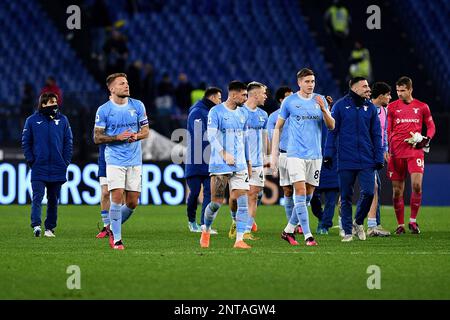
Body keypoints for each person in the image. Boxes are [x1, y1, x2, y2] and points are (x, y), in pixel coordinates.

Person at [271, 68, 335, 246]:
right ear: (299, 82)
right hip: (295, 154)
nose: (310, 85)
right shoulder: (290, 102)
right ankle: (308, 236)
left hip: (315, 156)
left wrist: (324, 109)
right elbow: (278, 128)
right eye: (307, 82)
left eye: (313, 81)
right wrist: (274, 155)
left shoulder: (320, 99)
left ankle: (288, 230)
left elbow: (331, 126)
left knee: (307, 197)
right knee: (299, 192)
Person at [93, 73, 149, 250]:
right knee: (116, 197)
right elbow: (96, 137)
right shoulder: (104, 110)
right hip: (114, 160)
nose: (126, 86)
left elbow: (146, 131)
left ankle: (110, 227)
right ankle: (117, 240)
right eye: (122, 83)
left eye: (127, 82)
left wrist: (136, 136)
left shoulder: (137, 105)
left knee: (132, 202)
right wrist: (117, 137)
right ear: (112, 88)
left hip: (134, 160)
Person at [324, 77, 384, 242]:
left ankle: (358, 222)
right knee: (346, 196)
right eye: (365, 86)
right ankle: (348, 232)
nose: (368, 89)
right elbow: (333, 132)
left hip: (367, 158)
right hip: (345, 158)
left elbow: (377, 135)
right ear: (355, 87)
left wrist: (379, 156)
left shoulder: (370, 108)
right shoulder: (340, 106)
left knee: (370, 192)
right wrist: (328, 154)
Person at [200, 81, 252, 249]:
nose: (246, 98)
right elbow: (212, 136)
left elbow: (245, 138)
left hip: (240, 164)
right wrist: (224, 154)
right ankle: (206, 229)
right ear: (233, 94)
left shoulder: (243, 113)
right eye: (244, 95)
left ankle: (239, 240)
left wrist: (248, 162)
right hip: (220, 163)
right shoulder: (216, 111)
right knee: (216, 203)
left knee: (242, 200)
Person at [387, 76, 436, 234]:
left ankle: (413, 221)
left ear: (410, 90)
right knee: (397, 191)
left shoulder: (422, 107)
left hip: (415, 151)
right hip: (396, 152)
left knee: (416, 186)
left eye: (402, 90)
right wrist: (386, 148)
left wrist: (427, 138)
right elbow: (387, 130)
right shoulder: (392, 107)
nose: (399, 93)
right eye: (397, 90)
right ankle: (400, 225)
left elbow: (430, 126)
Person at [22, 92, 73, 237]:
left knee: (53, 200)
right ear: (43, 104)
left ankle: (50, 228)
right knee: (37, 197)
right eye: (51, 102)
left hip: (58, 166)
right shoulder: (31, 120)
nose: (54, 105)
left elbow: (68, 143)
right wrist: (32, 160)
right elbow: (26, 142)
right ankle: (36, 226)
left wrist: (65, 162)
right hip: (39, 166)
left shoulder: (63, 120)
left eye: (55, 102)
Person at [185, 87, 222, 233]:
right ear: (212, 98)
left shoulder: (212, 112)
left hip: (210, 159)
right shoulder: (197, 112)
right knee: (194, 192)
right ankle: (191, 221)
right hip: (196, 159)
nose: (221, 101)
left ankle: (205, 225)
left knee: (209, 192)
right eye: (219, 98)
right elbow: (199, 136)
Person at [267, 86, 303, 235]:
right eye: (288, 96)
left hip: (301, 155)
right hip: (284, 155)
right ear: (281, 100)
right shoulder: (274, 117)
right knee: (288, 191)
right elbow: (271, 139)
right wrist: (273, 158)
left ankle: (299, 223)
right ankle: (292, 225)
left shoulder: (300, 113)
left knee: (301, 190)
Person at [240, 82, 269, 239]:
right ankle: (235, 220)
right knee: (236, 197)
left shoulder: (263, 115)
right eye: (264, 93)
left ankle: (246, 230)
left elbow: (265, 139)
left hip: (257, 162)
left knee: (254, 194)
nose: (266, 96)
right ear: (255, 94)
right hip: (241, 162)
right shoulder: (238, 112)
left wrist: (268, 157)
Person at [310, 96, 340, 235]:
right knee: (312, 196)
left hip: (333, 161)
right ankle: (322, 218)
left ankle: (325, 225)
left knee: (331, 196)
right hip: (314, 159)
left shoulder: (336, 120)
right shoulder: (314, 119)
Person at [366, 82, 392, 237]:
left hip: (376, 153)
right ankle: (370, 225)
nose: (390, 97)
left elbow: (384, 132)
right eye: (388, 94)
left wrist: (385, 150)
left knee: (375, 186)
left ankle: (374, 224)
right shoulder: (365, 108)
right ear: (381, 95)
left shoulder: (384, 111)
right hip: (363, 153)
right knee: (371, 186)